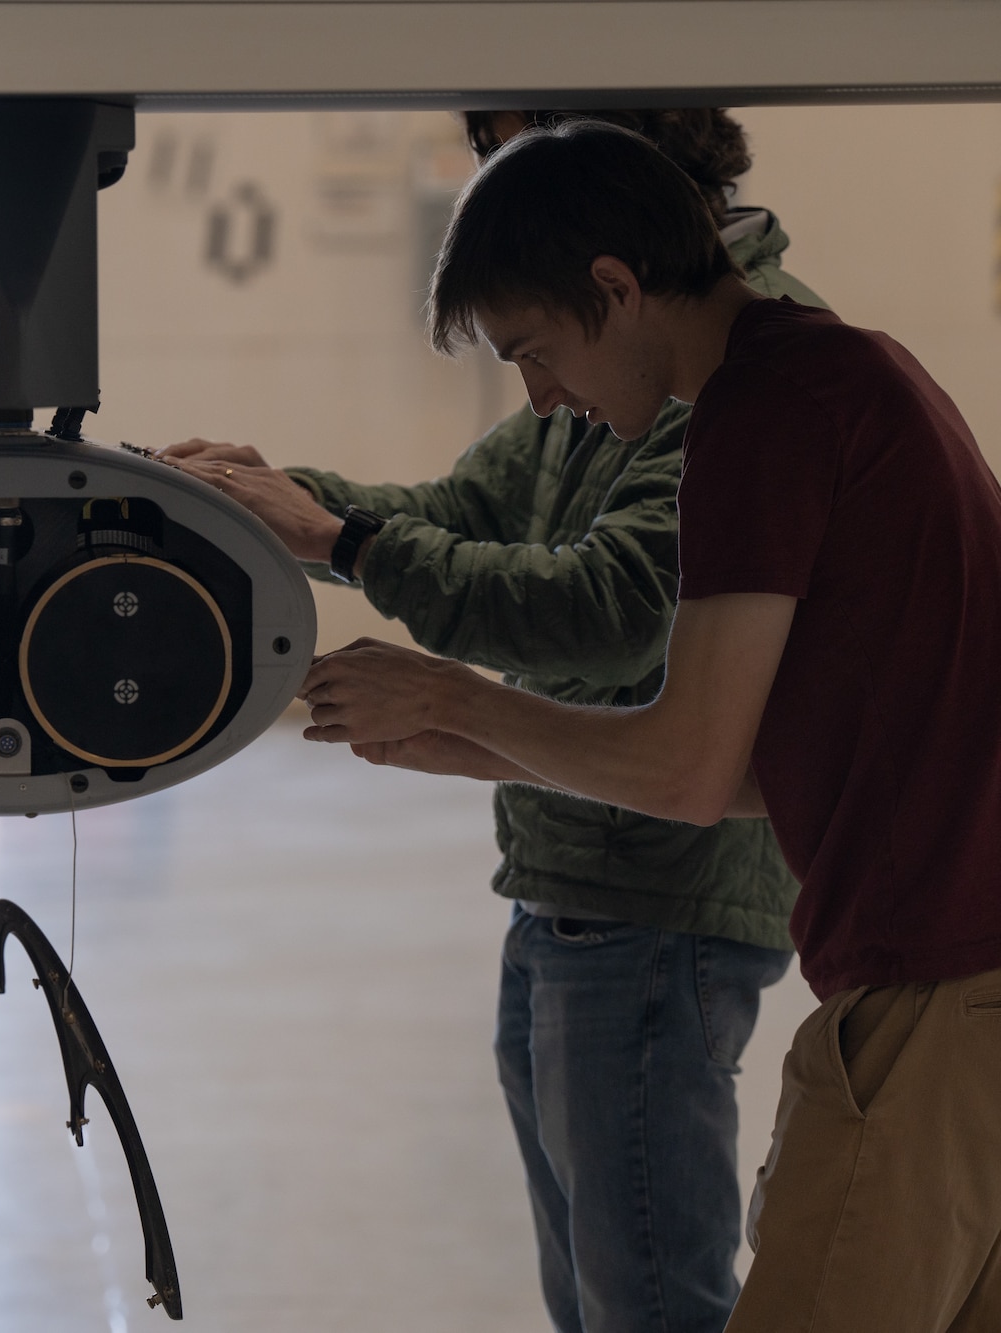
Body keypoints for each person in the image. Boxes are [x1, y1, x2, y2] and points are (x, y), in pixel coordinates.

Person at [305, 118, 1001, 1332]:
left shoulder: (758, 412)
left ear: (614, 288)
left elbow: (682, 767)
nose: (542, 399)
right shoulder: (844, 371)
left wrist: (449, 692)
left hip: (936, 988)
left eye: (533, 353)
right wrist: (458, 743)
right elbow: (755, 771)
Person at [164, 110, 816, 1333]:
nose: (536, 391)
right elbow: (463, 513)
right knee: (593, 1291)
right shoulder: (615, 359)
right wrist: (280, 502)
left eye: (520, 154)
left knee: (649, 1301)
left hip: (656, 897)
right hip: (570, 873)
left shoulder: (737, 373)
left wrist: (353, 557)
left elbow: (612, 611)